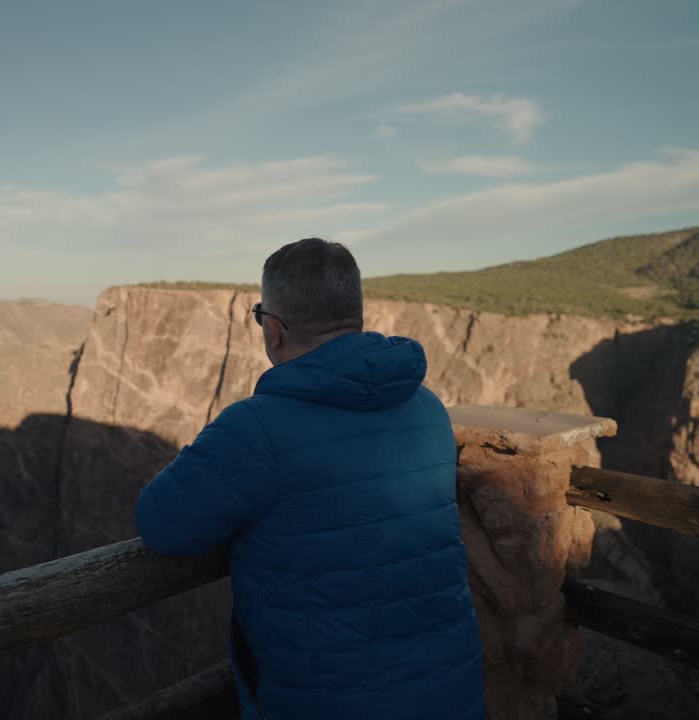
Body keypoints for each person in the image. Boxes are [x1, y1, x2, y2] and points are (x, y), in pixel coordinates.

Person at [134, 238, 486, 719]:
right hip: (452, 695)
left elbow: (160, 522)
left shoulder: (254, 429)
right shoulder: (428, 410)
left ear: (274, 330)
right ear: (355, 316)